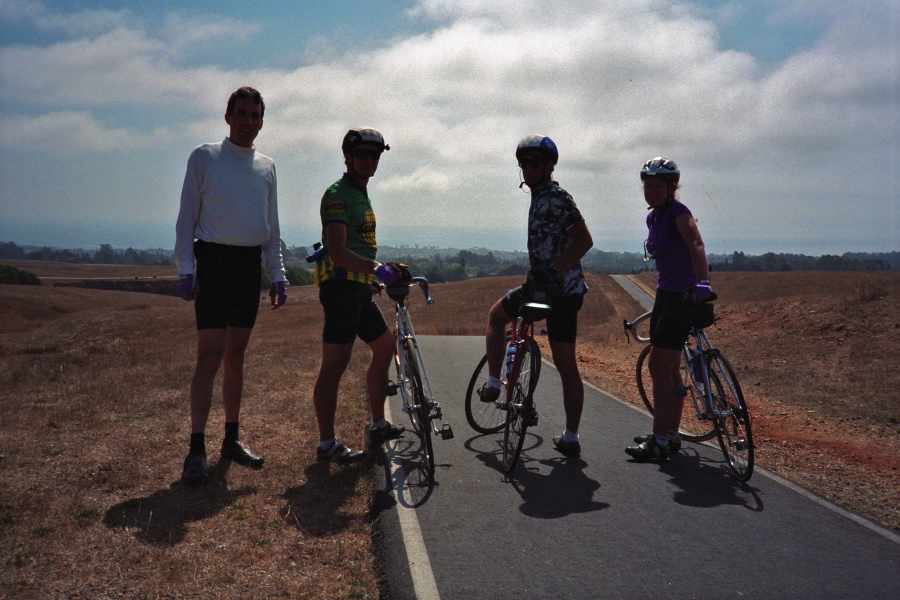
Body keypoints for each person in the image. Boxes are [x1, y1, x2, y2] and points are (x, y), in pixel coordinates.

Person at [174, 86, 287, 485]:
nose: (248, 121)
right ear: (227, 117)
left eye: (256, 114)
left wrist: (277, 275)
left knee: (236, 356)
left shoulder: (267, 166)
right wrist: (186, 268)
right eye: (241, 113)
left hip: (247, 268)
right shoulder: (205, 157)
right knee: (209, 357)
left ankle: (231, 440)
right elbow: (187, 218)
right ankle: (196, 449)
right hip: (214, 263)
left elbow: (271, 228)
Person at [478, 135, 594, 457]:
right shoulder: (540, 196)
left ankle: (570, 435)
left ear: (549, 166)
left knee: (564, 363)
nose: (527, 168)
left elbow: (584, 241)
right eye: (523, 162)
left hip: (563, 291)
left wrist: (553, 268)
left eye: (534, 162)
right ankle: (496, 384)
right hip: (548, 288)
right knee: (498, 316)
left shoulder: (556, 197)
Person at [310, 127, 406, 463]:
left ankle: (379, 423)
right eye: (362, 154)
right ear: (348, 158)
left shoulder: (360, 193)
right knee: (334, 366)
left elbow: (356, 246)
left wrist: (371, 278)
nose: (369, 160)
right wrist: (377, 268)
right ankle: (326, 444)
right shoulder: (338, 195)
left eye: (374, 155)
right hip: (339, 288)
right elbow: (337, 251)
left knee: (383, 348)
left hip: (357, 288)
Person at [625, 157, 712, 461]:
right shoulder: (654, 218)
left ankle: (660, 440)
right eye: (647, 186)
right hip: (665, 294)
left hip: (682, 297)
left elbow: (697, 245)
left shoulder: (678, 213)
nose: (651, 191)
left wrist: (702, 283)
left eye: (658, 186)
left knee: (658, 367)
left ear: (672, 187)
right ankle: (670, 435)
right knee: (670, 368)